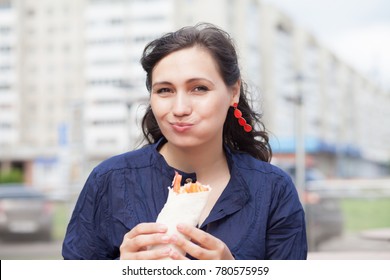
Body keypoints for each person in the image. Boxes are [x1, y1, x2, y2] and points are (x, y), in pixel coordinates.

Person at [62, 23, 307, 260]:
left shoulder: (274, 190)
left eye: (199, 88)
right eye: (165, 90)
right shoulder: (109, 180)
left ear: (233, 91)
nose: (179, 108)